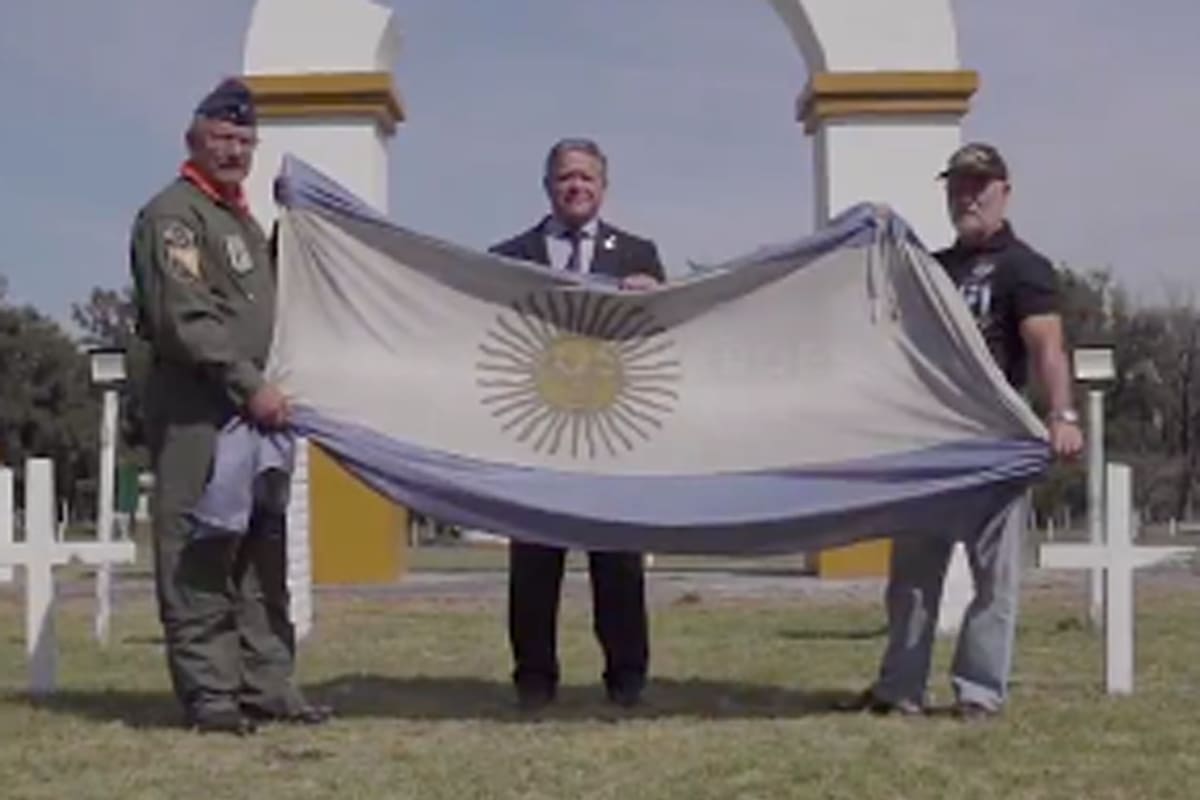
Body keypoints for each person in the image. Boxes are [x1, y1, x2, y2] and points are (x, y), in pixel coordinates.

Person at [844, 142, 1084, 721]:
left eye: (979, 185)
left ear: (1004, 190)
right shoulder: (936, 269)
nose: (967, 195)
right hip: (934, 446)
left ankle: (978, 693)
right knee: (912, 581)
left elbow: (1046, 343)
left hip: (997, 444)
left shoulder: (1026, 266)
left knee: (994, 582)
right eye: (957, 186)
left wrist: (1062, 414)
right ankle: (900, 689)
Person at [129, 78, 330, 734]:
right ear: (194, 139)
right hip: (203, 415)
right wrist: (250, 386)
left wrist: (297, 230)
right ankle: (211, 694)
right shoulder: (174, 216)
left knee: (259, 555)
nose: (234, 149)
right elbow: (186, 321)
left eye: (245, 139)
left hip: (256, 419)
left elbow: (262, 300)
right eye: (222, 137)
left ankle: (267, 683)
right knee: (199, 551)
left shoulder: (238, 218)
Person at [489, 138, 664, 710]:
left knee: (618, 567)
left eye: (587, 178)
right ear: (548, 186)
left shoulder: (639, 255)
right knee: (534, 568)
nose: (577, 187)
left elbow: (660, 343)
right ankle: (534, 680)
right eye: (566, 177)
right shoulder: (505, 257)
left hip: (610, 432)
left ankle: (627, 678)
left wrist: (654, 299)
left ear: (603, 188)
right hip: (535, 432)